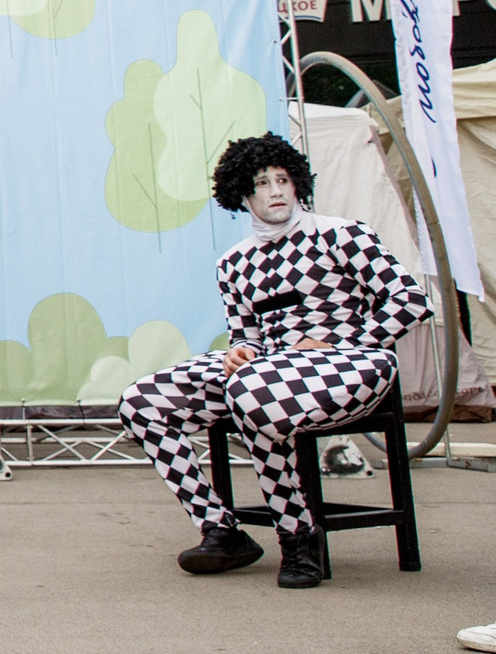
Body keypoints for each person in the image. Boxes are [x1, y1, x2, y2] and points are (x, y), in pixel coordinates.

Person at [119, 133, 432, 589]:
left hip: (352, 368)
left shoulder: (342, 234)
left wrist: (342, 343)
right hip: (269, 373)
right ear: (244, 195)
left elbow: (410, 300)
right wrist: (240, 352)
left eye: (283, 180)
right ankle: (220, 529)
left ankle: (298, 536)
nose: (277, 191)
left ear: (299, 184)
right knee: (141, 400)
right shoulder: (234, 264)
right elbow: (247, 337)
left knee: (254, 391)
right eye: (263, 183)